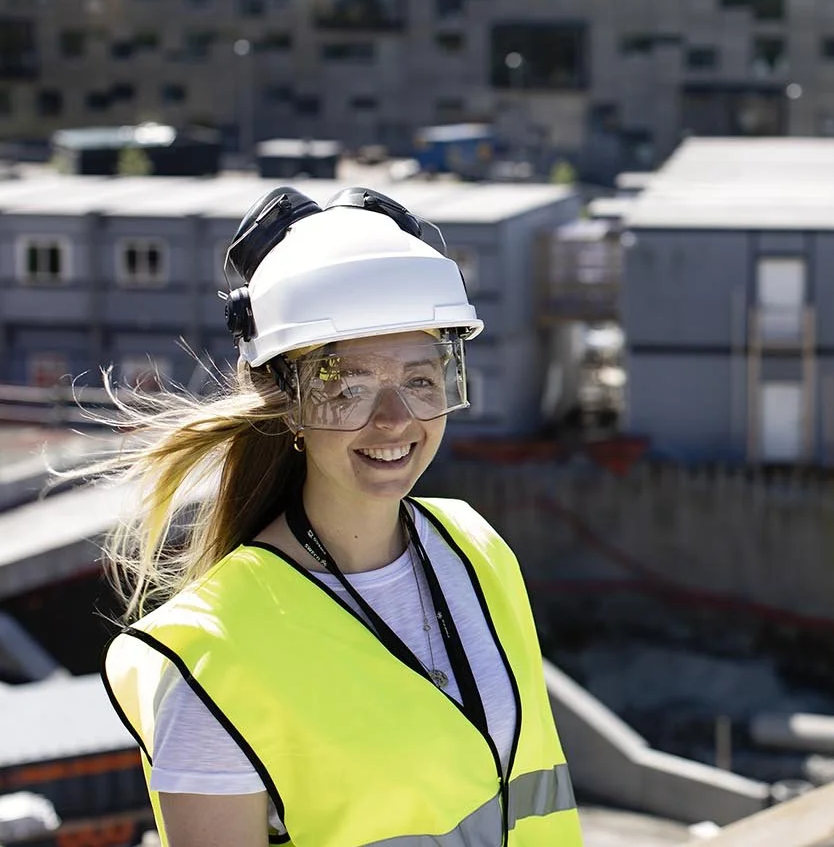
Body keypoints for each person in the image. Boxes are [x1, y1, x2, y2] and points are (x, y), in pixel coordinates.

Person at [95, 186, 583, 847]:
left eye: (420, 379)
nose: (395, 421)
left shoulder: (476, 547)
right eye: (347, 387)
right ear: (288, 404)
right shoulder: (216, 655)